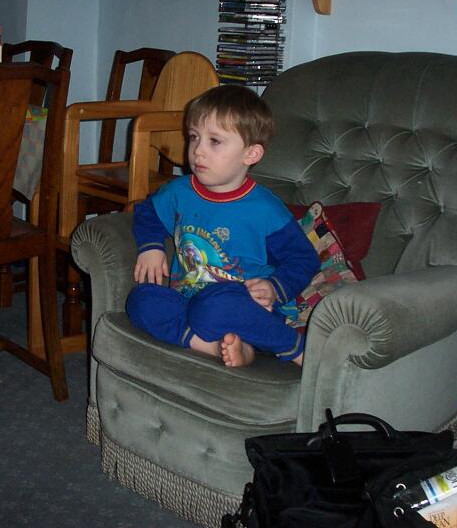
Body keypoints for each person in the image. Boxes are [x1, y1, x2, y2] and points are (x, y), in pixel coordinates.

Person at [125, 84, 320, 367]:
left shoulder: (265, 209)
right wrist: (151, 246)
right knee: (141, 300)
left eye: (214, 141)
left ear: (251, 154)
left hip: (246, 308)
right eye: (194, 137)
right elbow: (148, 213)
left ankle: (295, 348)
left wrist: (274, 287)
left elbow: (304, 258)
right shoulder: (179, 192)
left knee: (216, 305)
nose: (197, 151)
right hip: (188, 304)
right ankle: (216, 348)